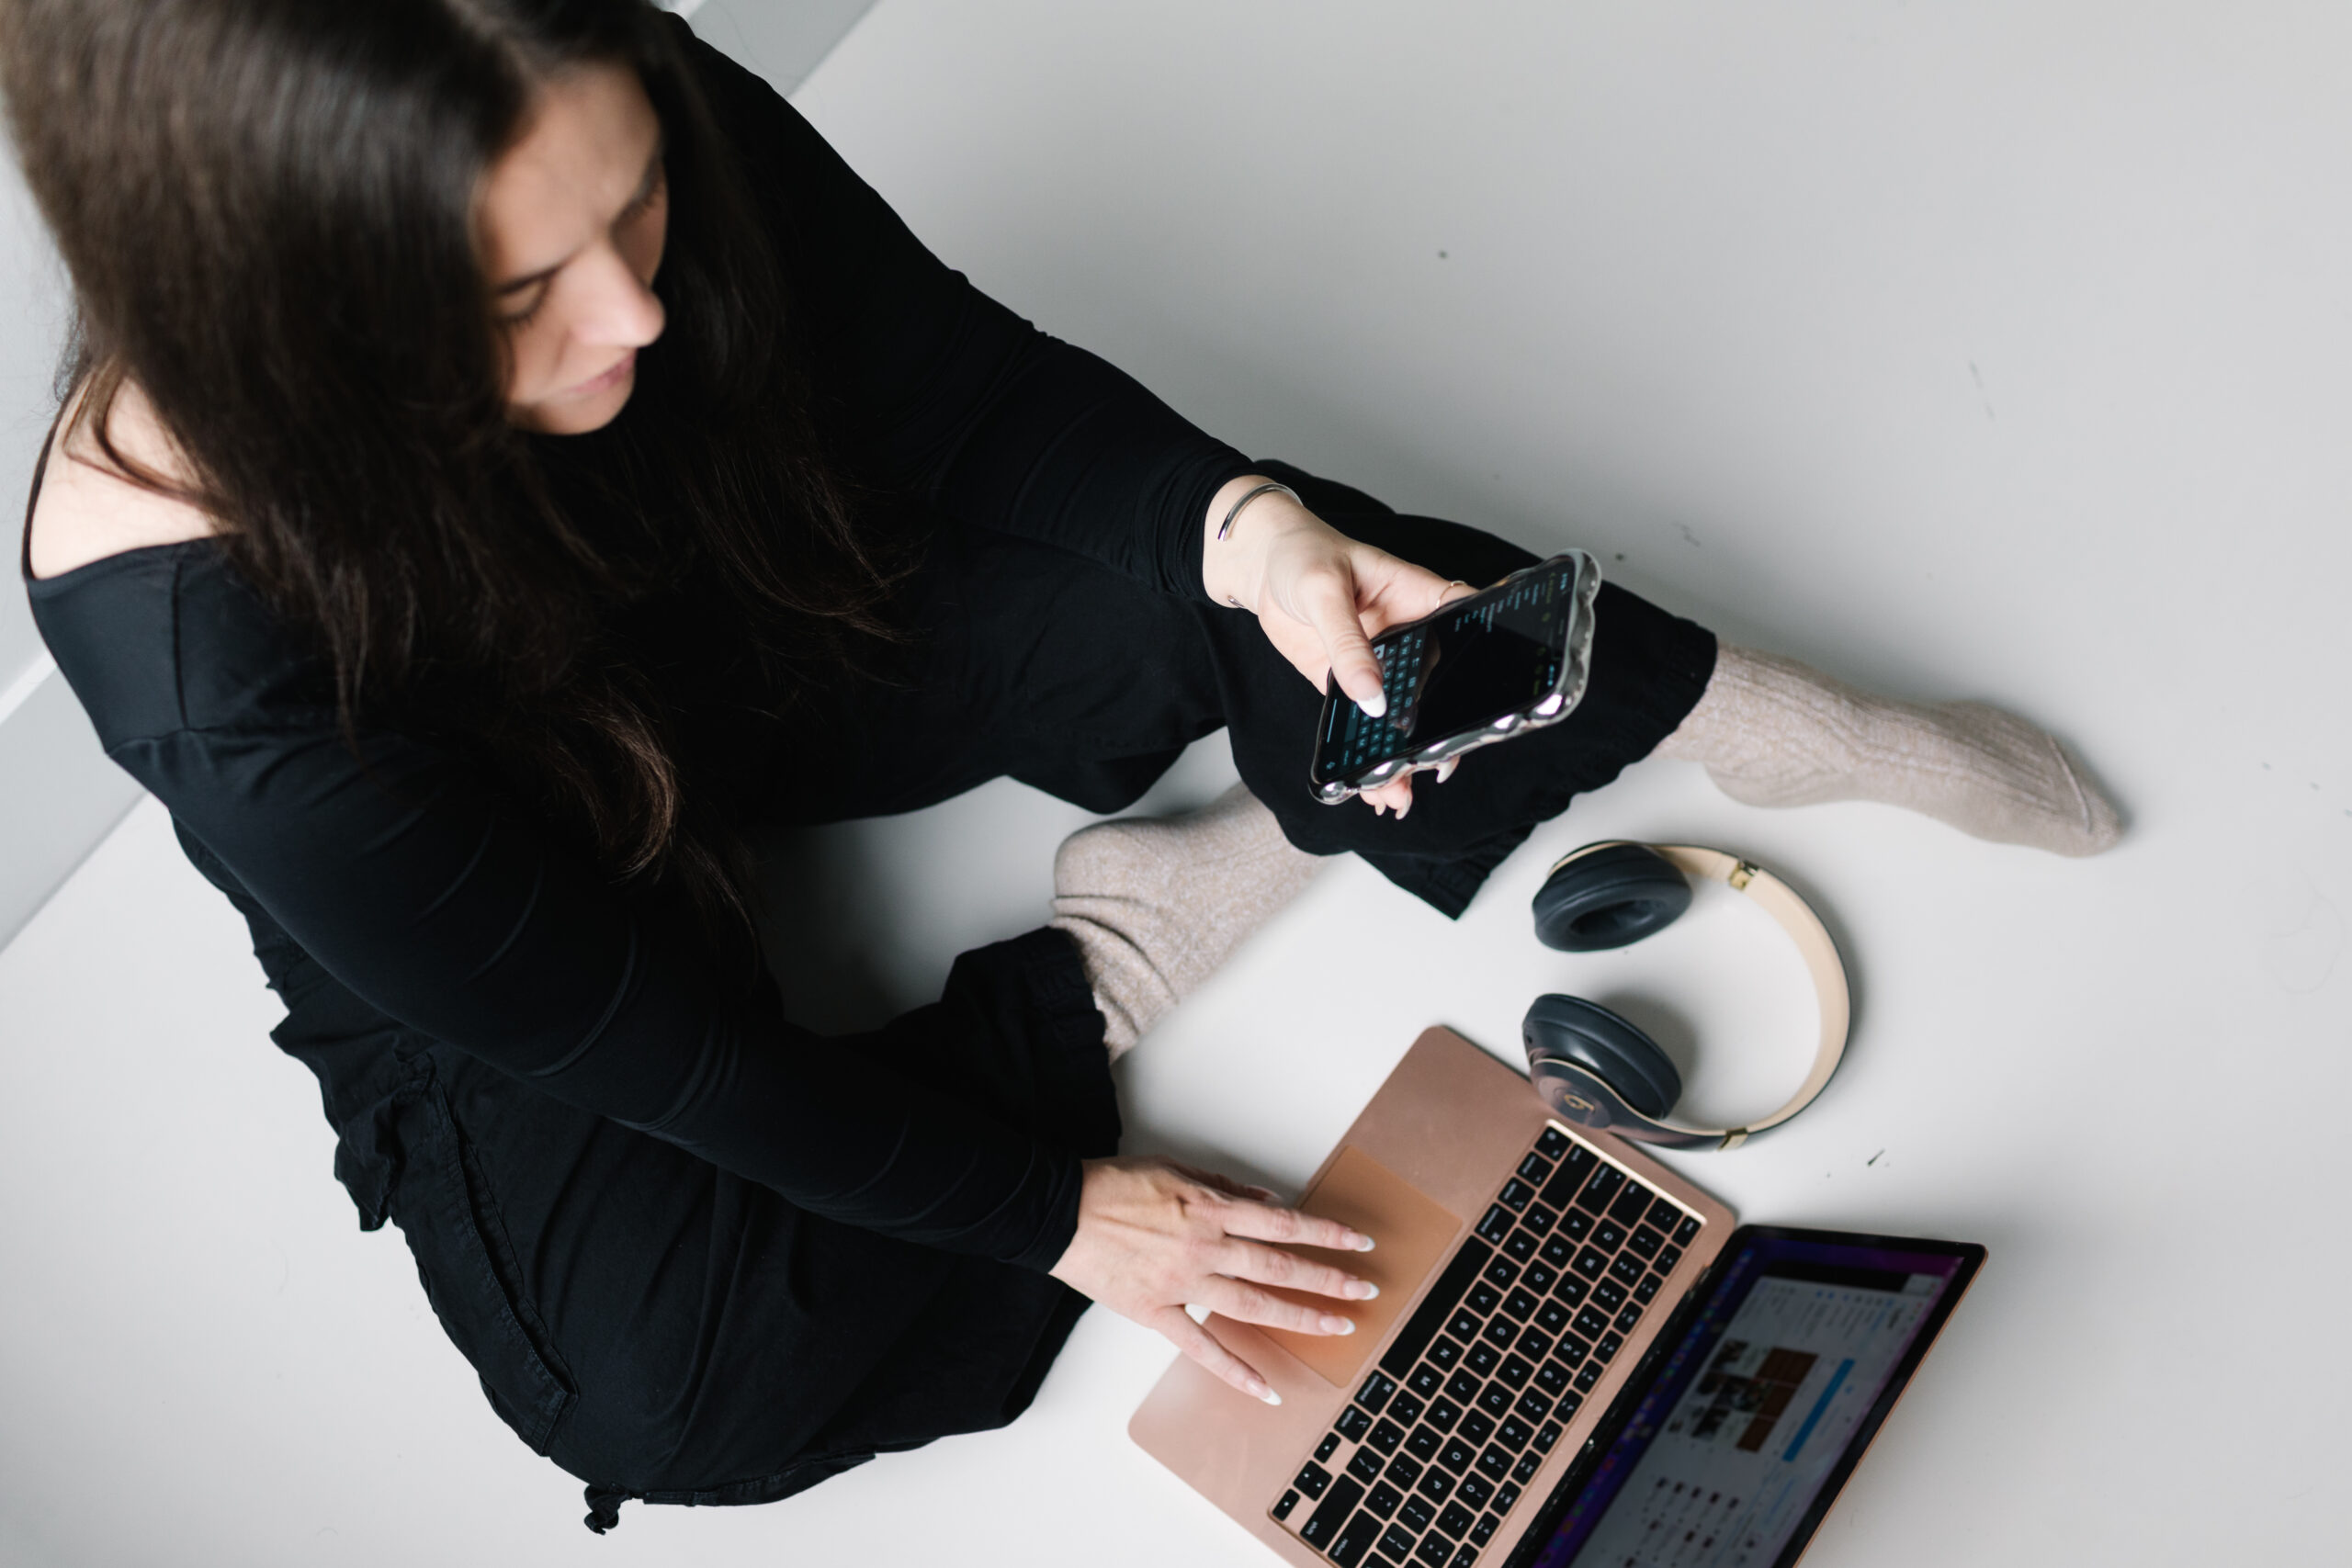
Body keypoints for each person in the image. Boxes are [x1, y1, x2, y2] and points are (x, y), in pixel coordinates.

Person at [4, 0, 2118, 1534]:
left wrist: (1240, 530)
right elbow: (664, 1058)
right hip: (517, 898)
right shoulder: (224, 689)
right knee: (659, 1391)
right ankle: (1127, 937)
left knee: (1294, 589)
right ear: (298, 336)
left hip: (722, 613)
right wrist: (1068, 1214)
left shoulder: (562, 101)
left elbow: (966, 403)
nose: (632, 318)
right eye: (521, 299)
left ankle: (1758, 713)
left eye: (634, 209)